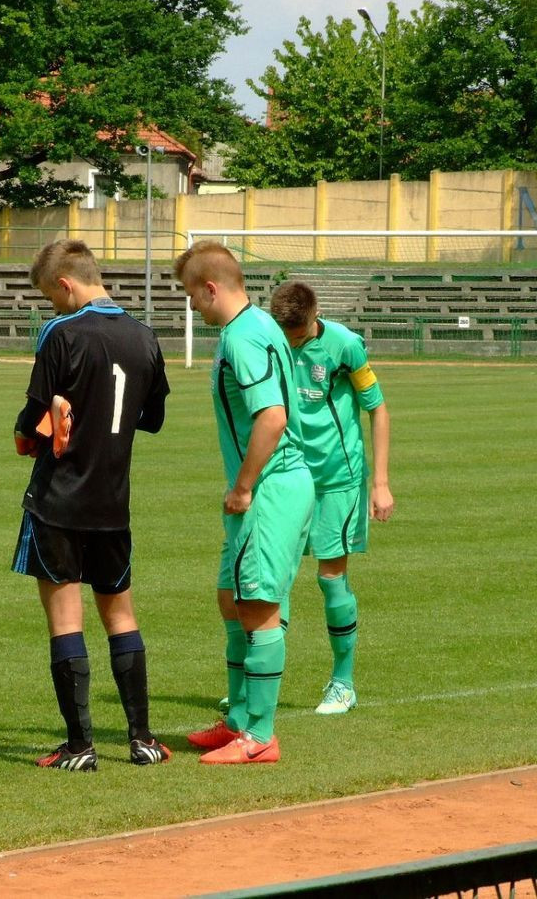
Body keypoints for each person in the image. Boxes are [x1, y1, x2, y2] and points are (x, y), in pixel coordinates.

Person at [11, 239, 171, 771]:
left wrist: (36, 427)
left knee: (65, 620)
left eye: (50, 297)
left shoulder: (62, 332)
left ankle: (80, 747)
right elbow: (151, 420)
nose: (52, 308)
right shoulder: (145, 336)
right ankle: (143, 740)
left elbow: (31, 424)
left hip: (58, 499)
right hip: (112, 501)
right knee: (120, 613)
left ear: (65, 284)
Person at [174, 241, 313, 765]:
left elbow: (272, 416)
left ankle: (260, 735)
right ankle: (238, 721)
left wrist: (244, 485)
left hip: (270, 488)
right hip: (271, 487)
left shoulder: (244, 338)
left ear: (212, 288)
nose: (192, 307)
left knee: (257, 606)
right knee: (232, 599)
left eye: (192, 295)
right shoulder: (255, 328)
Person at [269, 281, 393, 714]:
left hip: (338, 478)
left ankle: (343, 683)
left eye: (299, 334)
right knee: (276, 577)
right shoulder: (271, 339)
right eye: (287, 334)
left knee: (330, 578)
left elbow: (377, 407)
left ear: (313, 317)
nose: (293, 341)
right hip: (288, 475)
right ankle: (260, 684)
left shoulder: (345, 346)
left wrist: (379, 482)